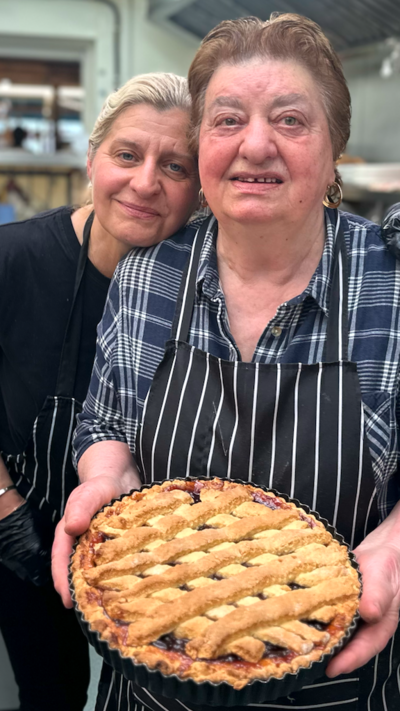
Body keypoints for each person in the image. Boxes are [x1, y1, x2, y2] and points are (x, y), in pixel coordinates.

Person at [53, 13, 400, 711]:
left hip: (335, 683)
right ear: (203, 146)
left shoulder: (390, 283)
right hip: (154, 671)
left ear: (335, 153)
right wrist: (105, 473)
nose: (256, 144)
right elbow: (108, 421)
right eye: (227, 119)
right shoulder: (149, 275)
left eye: (292, 120)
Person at [0, 72, 199, 711]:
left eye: (176, 165)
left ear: (202, 188)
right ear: (92, 159)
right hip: (25, 527)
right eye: (126, 154)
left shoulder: (210, 287)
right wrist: (6, 514)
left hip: (148, 555)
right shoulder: (16, 258)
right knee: (52, 689)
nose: (146, 183)